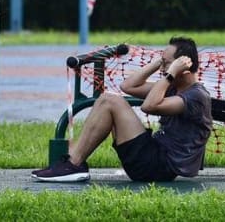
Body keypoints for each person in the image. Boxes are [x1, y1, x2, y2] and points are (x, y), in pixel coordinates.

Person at [32, 37, 213, 183]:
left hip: (159, 167)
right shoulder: (173, 86)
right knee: (107, 99)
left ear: (183, 69)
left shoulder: (196, 96)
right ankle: (72, 162)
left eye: (167, 64)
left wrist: (170, 73)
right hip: (153, 157)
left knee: (110, 101)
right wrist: (160, 62)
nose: (163, 70)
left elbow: (149, 106)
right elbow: (128, 86)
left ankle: (73, 164)